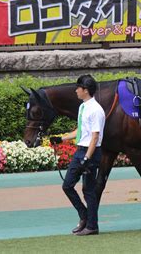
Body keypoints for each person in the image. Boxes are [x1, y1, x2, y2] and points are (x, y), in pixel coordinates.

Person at [50, 75, 105, 236]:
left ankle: (92, 226)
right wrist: (61, 138)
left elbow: (95, 137)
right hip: (81, 151)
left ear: (85, 90)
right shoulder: (83, 107)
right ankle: (85, 217)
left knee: (88, 190)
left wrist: (87, 158)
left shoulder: (96, 110)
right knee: (67, 185)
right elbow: (81, 131)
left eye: (78, 88)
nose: (76, 90)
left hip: (90, 153)